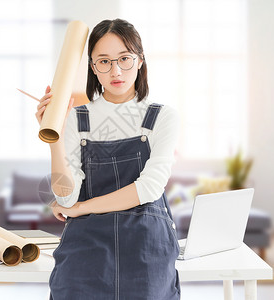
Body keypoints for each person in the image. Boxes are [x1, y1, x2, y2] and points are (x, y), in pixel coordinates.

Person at [35, 18, 180, 300]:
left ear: (140, 61)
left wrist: (83, 207)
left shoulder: (162, 116)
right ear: (92, 67)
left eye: (124, 59)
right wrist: (55, 136)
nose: (116, 70)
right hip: (85, 244)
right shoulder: (76, 119)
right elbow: (66, 200)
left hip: (145, 242)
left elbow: (149, 188)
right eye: (104, 61)